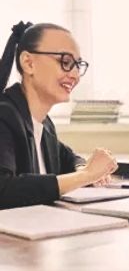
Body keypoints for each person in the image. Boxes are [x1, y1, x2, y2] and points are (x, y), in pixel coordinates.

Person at [0, 21, 118, 209]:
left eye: (77, 65)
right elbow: (3, 190)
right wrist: (86, 175)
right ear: (29, 63)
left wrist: (84, 168)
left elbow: (69, 158)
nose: (75, 75)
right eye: (65, 62)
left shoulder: (44, 124)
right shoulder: (4, 116)